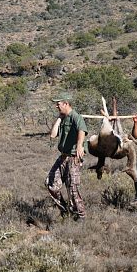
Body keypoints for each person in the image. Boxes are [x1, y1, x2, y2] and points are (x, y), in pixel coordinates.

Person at [45, 92, 88, 220]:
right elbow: (53, 135)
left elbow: (82, 130)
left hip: (73, 157)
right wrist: (59, 118)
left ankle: (81, 216)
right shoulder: (63, 118)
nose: (56, 106)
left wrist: (80, 145)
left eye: (58, 104)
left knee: (73, 188)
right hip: (63, 157)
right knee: (50, 183)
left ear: (66, 104)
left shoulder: (76, 116)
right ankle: (65, 210)